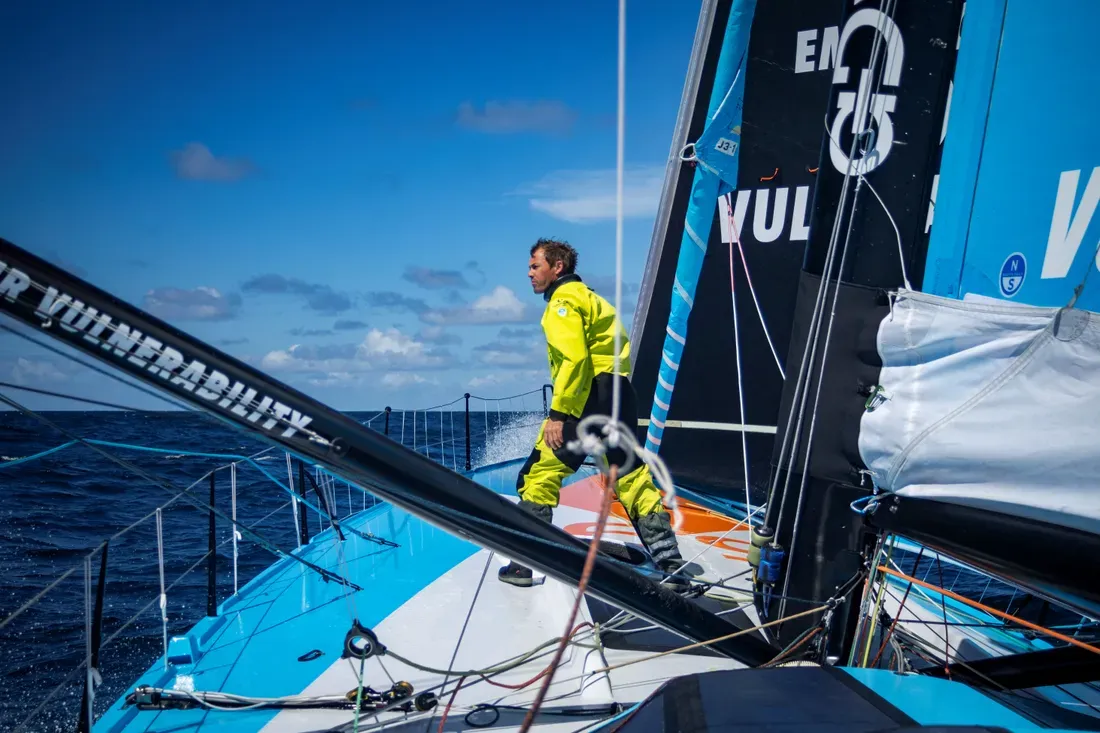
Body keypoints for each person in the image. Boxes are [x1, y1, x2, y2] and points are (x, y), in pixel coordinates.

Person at [498, 238, 686, 587]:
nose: (529, 274)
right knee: (630, 477)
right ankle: (672, 566)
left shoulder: (562, 302)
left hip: (587, 397)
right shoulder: (596, 300)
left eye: (535, 266)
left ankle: (523, 565)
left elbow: (575, 360)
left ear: (558, 268)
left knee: (537, 476)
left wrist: (559, 413)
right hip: (620, 396)